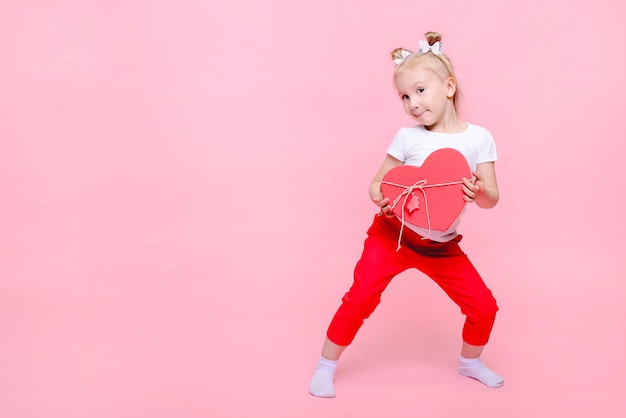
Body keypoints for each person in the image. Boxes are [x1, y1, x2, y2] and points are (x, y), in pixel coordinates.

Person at [308, 31, 503, 398]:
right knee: (360, 297)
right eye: (404, 96)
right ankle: (325, 365)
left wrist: (479, 193)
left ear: (448, 87)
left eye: (420, 90)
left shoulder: (479, 138)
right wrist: (380, 198)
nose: (412, 103)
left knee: (484, 306)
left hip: (441, 245)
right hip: (392, 235)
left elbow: (492, 197)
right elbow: (377, 183)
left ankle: (470, 362)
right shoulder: (407, 137)